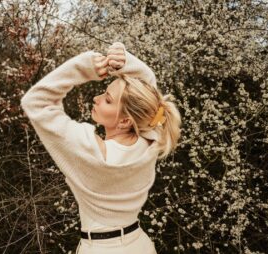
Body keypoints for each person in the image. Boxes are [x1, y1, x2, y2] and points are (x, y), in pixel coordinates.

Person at [21, 42, 182, 254]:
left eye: (107, 100)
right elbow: (149, 93)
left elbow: (34, 101)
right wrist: (125, 63)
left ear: (125, 121)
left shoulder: (93, 153)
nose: (96, 99)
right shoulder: (151, 142)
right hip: (139, 245)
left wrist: (81, 68)